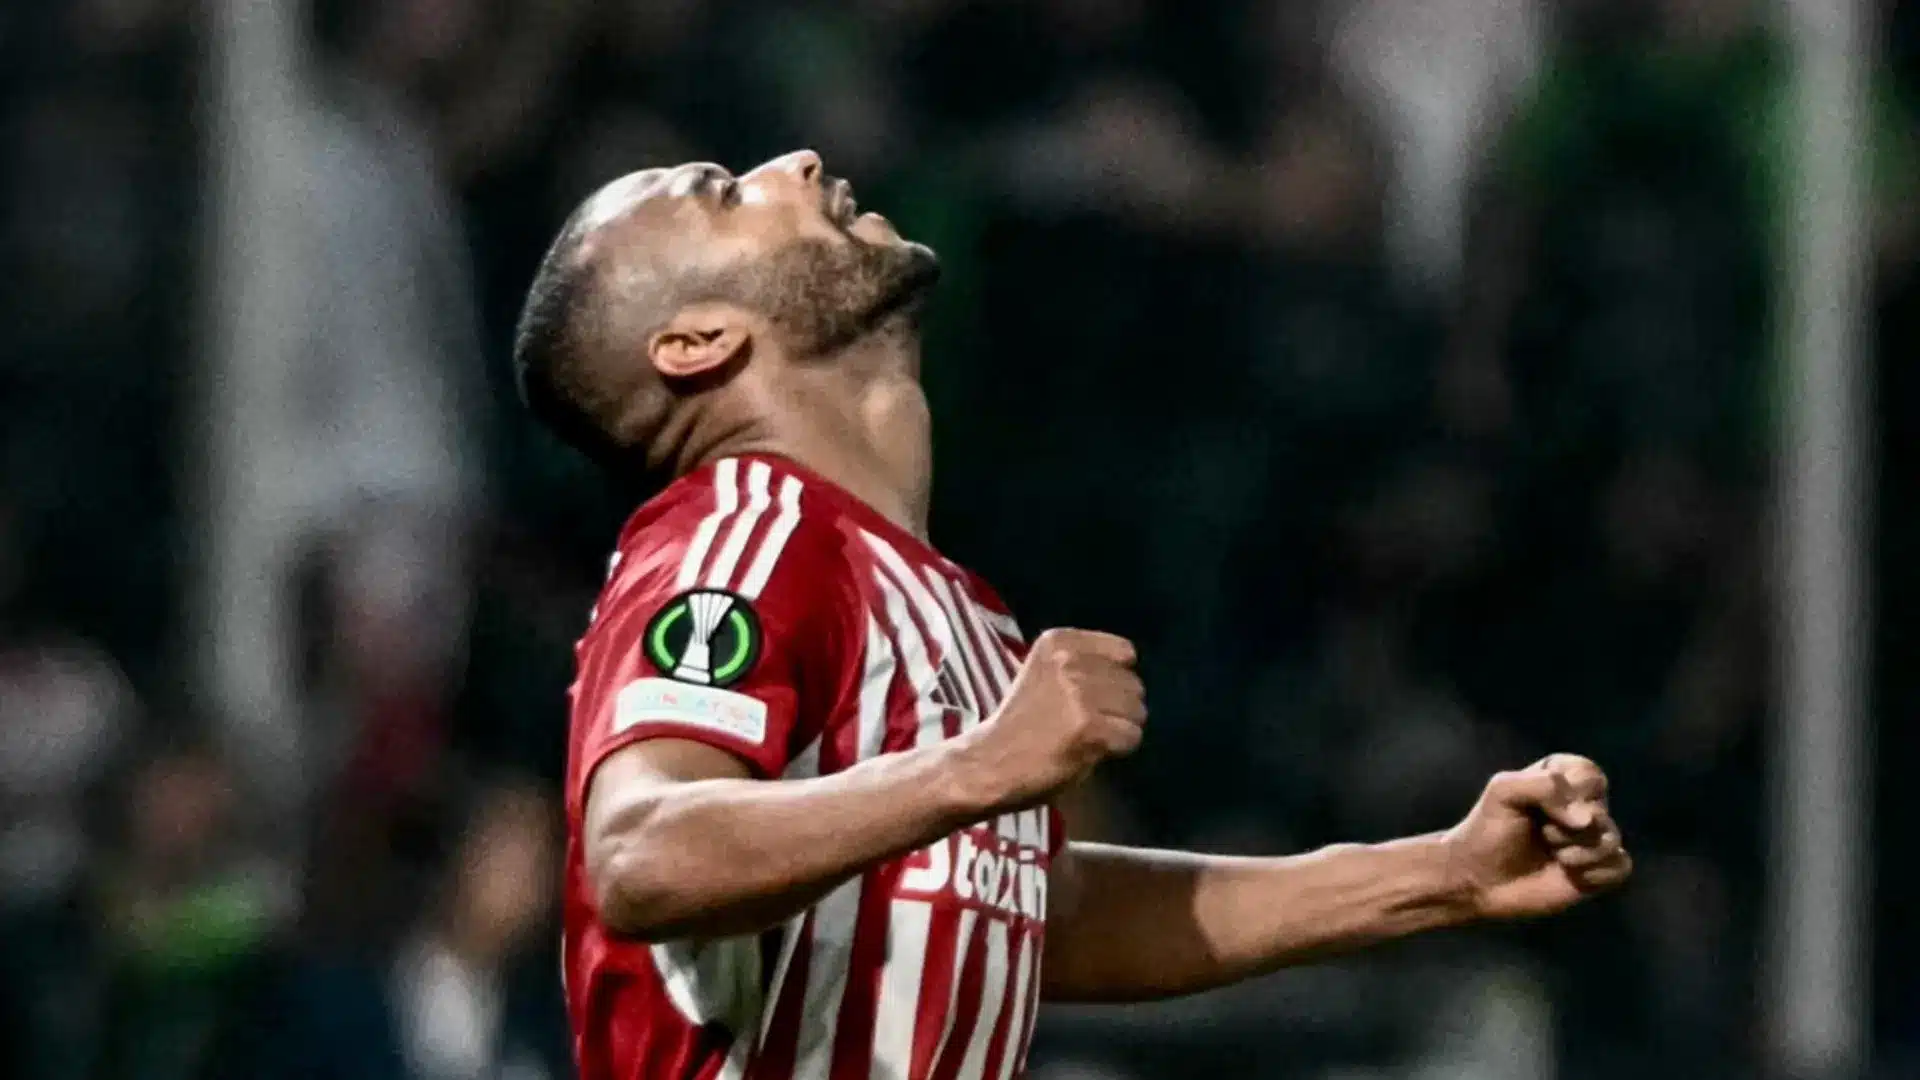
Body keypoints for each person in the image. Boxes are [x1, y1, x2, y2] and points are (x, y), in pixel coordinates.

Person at [511, 150, 1632, 1080]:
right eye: (723, 194)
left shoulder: (938, 603)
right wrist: (981, 766)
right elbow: (642, 851)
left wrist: (1443, 875)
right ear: (697, 343)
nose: (795, 164)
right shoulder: (741, 533)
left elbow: (1048, 913)